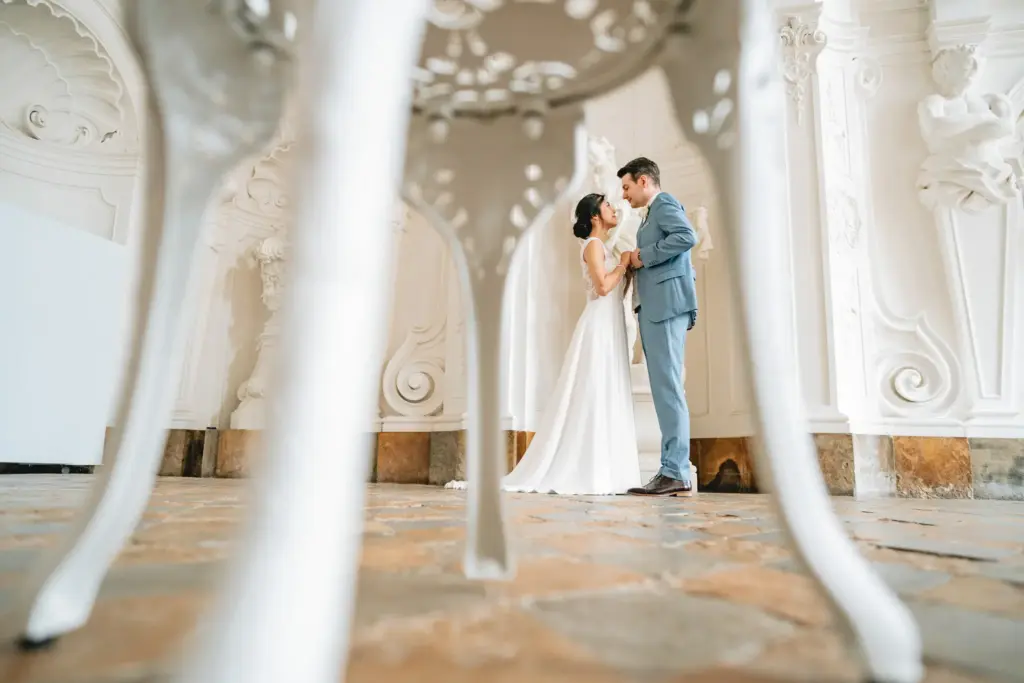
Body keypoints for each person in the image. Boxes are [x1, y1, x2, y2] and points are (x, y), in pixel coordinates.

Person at [447, 193, 641, 495]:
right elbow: (602, 287)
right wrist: (623, 264)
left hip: (611, 324)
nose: (613, 208)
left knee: (607, 389)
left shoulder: (605, 247)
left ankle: (607, 467)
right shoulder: (592, 245)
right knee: (591, 390)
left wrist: (627, 268)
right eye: (606, 205)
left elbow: (616, 288)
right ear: (594, 216)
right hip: (598, 325)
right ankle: (586, 469)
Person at [619, 157, 697, 497]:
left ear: (644, 181)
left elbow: (686, 236)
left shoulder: (663, 203)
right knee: (665, 390)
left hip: (666, 307)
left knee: (668, 390)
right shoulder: (650, 214)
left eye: (626, 187)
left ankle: (675, 471)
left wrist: (642, 257)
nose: (624, 195)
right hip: (656, 307)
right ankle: (671, 470)